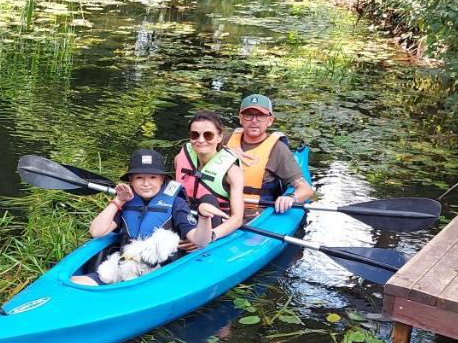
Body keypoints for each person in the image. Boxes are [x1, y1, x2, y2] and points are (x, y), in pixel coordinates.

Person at [71, 149, 221, 286]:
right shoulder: (128, 201)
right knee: (74, 283)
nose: (146, 183)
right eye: (139, 178)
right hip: (124, 268)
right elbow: (96, 231)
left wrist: (204, 218)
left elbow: (201, 240)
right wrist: (119, 200)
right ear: (131, 180)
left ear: (162, 179)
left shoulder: (176, 203)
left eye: (153, 177)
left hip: (161, 275)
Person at [226, 94, 315, 217]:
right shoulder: (224, 142)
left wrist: (290, 198)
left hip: (254, 214)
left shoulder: (278, 150)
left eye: (261, 115)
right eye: (248, 115)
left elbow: (306, 189)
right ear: (240, 118)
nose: (254, 120)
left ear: (270, 120)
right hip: (221, 208)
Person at [172, 110, 245, 249]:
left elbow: (237, 219)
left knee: (208, 199)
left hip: (213, 226)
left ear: (219, 137)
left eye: (208, 135)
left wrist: (209, 236)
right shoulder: (179, 159)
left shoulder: (233, 172)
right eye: (195, 135)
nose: (200, 140)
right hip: (184, 219)